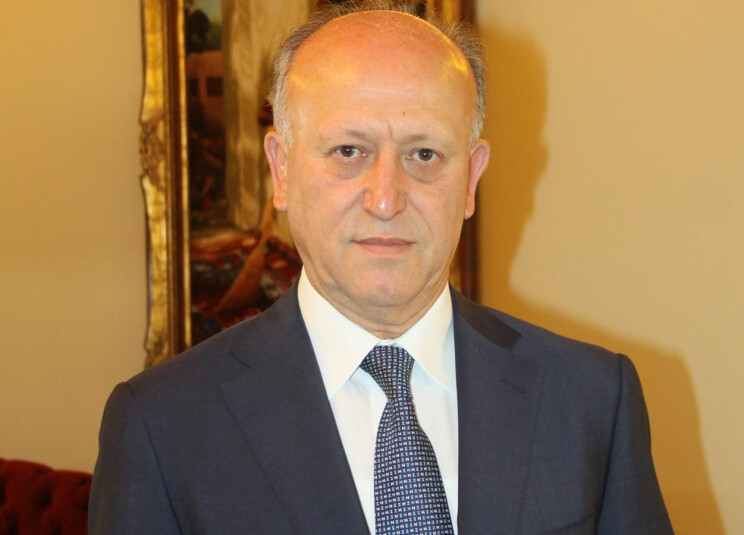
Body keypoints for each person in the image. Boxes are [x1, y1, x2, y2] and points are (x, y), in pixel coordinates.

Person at [89, 2, 674, 534]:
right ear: (281, 169)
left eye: (425, 154)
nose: (387, 199)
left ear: (471, 179)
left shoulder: (592, 401)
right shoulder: (161, 427)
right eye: (349, 151)